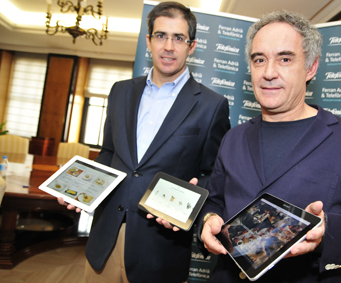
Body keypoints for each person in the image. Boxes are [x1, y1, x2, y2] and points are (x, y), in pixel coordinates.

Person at [198, 10, 341, 283]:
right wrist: (209, 217)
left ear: (311, 67)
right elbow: (215, 200)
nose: (269, 73)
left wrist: (326, 230)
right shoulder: (233, 138)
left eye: (285, 59)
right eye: (260, 59)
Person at [59, 2, 230, 282]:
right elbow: (109, 153)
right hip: (106, 236)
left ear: (192, 46)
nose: (169, 46)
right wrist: (82, 185)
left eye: (179, 38)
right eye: (161, 36)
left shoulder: (212, 106)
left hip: (161, 247)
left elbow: (214, 174)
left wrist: (189, 202)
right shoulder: (121, 91)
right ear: (148, 41)